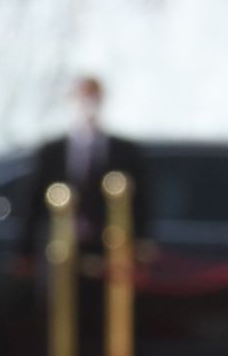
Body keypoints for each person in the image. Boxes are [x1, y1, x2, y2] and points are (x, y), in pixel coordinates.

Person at [26, 72, 148, 258]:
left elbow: (141, 203)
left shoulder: (126, 152)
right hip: (61, 251)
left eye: (94, 98)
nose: (88, 105)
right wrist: (25, 253)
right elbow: (33, 203)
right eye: (83, 98)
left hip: (111, 252)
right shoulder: (52, 152)